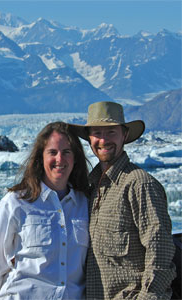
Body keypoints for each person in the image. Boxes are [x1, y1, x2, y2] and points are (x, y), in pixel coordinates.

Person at [69, 101, 176, 300]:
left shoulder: (139, 184)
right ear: (89, 138)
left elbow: (160, 251)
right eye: (97, 133)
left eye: (111, 132)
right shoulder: (92, 188)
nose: (103, 140)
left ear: (124, 135)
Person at [0, 121, 91, 300]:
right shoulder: (16, 202)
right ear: (41, 157)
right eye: (52, 152)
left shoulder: (84, 204)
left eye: (66, 152)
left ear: (75, 158)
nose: (59, 159)